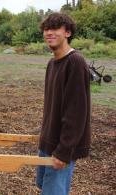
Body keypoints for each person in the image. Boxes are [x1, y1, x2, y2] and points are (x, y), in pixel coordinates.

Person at [36, 12, 91, 195]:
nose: (48, 33)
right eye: (46, 29)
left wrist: (64, 151)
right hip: (48, 142)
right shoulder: (53, 63)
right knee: (45, 187)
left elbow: (76, 113)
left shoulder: (75, 62)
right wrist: (44, 139)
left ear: (67, 32)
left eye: (54, 28)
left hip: (60, 147)